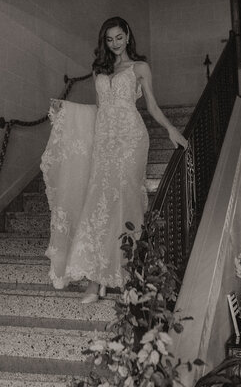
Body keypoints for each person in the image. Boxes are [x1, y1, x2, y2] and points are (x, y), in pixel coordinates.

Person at [41, 17, 187, 303]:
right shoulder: (101, 70)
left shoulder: (140, 67)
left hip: (131, 138)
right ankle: (97, 280)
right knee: (99, 204)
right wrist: (68, 110)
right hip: (104, 141)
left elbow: (152, 104)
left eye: (119, 37)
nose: (115, 43)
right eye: (109, 39)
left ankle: (124, 277)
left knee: (125, 202)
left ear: (128, 35)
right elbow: (100, 109)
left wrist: (171, 129)